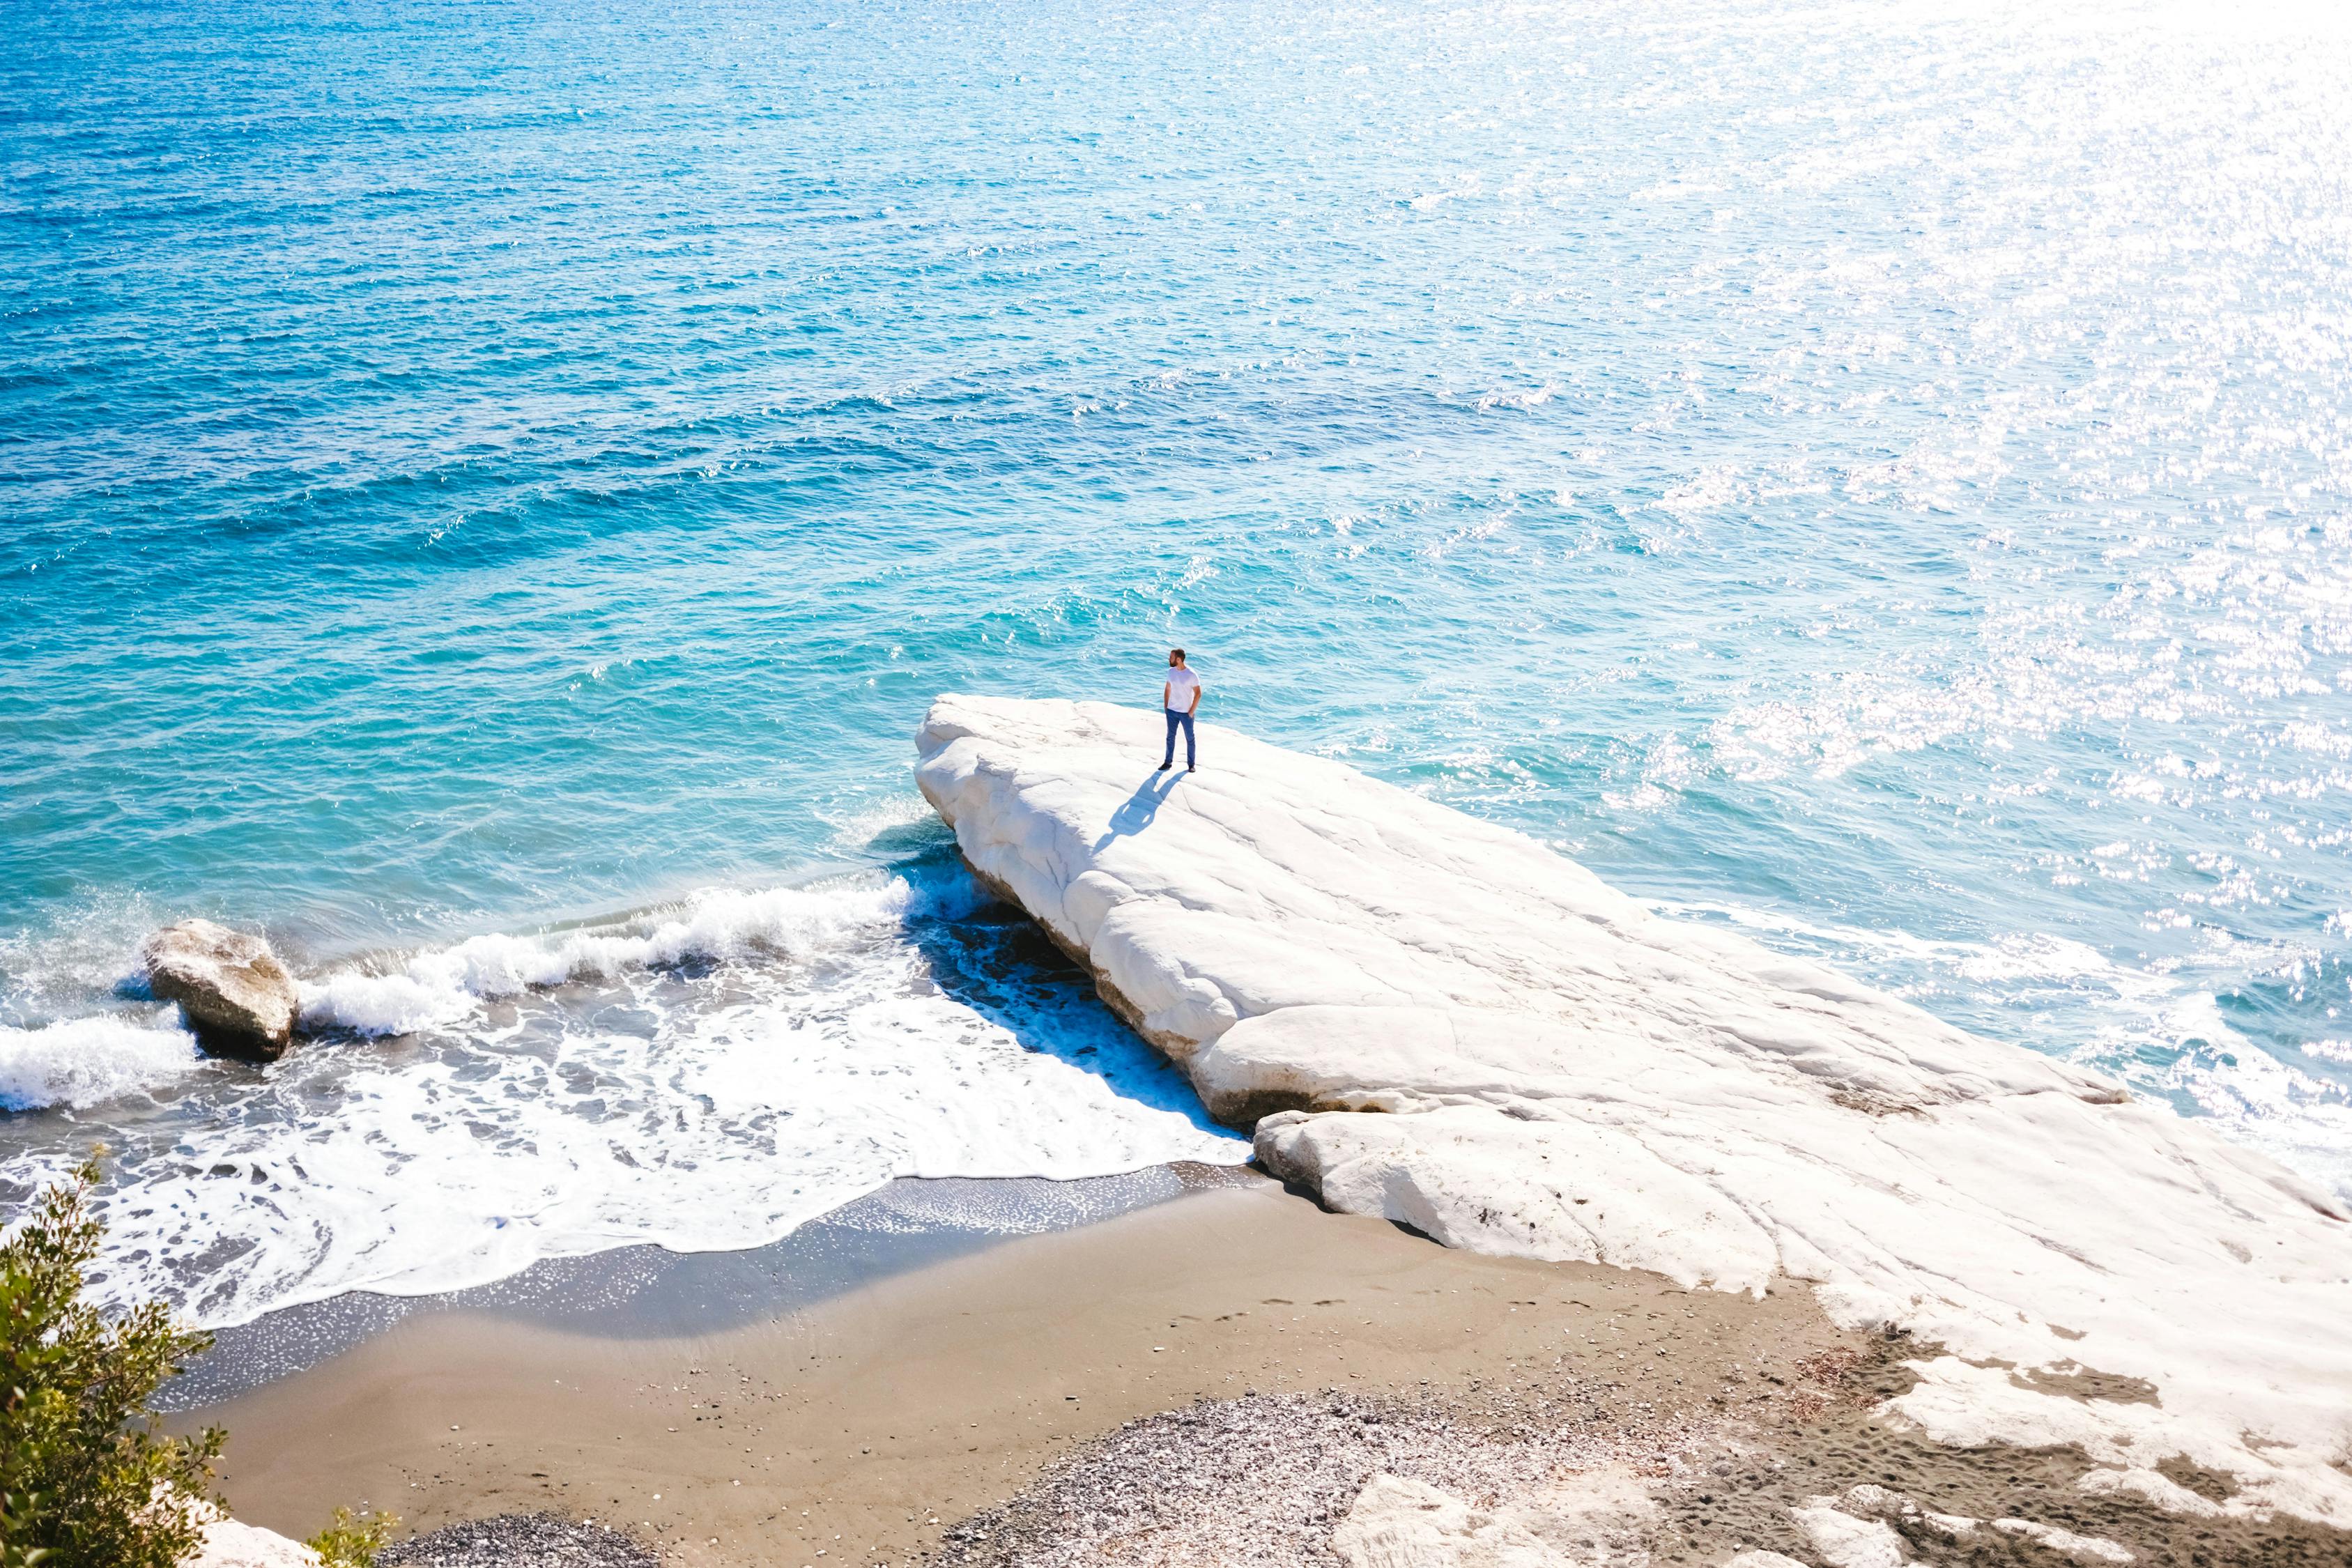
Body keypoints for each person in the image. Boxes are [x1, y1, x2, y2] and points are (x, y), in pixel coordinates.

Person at [1160, 648, 1202, 772]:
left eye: (1171, 657)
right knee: (1170, 737)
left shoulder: (1191, 674)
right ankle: (1168, 763)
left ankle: (1191, 765)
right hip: (1172, 711)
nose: (1169, 659)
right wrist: (1166, 707)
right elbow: (1167, 689)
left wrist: (1191, 712)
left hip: (1185, 713)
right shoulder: (1171, 672)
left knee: (1190, 738)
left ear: (1178, 659)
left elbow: (1198, 694)